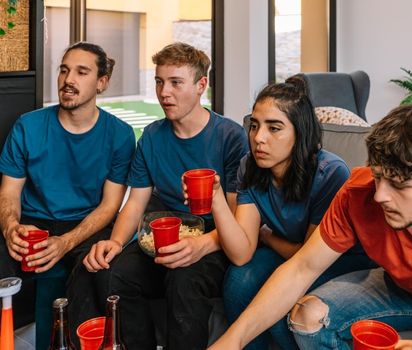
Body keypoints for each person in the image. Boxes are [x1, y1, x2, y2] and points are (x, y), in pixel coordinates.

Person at [209, 104, 412, 350]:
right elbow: (301, 268)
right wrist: (234, 340)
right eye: (378, 176)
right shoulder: (358, 193)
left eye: (399, 185)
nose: (380, 195)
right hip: (400, 289)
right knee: (307, 316)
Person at [71, 42, 248, 350]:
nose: (164, 92)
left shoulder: (231, 138)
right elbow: (136, 203)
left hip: (214, 238)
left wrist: (201, 246)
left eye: (176, 83)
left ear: (201, 85)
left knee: (184, 280)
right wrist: (115, 241)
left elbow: (238, 218)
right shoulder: (152, 136)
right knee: (112, 274)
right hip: (160, 233)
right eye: (159, 82)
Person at [203, 78, 375, 349]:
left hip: (339, 261)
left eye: (274, 128)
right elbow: (241, 253)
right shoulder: (250, 165)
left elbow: (306, 258)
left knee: (287, 303)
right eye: (255, 125)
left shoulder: (330, 173)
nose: (258, 137)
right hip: (290, 251)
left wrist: (266, 237)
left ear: (300, 133)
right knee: (240, 279)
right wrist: (216, 201)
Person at [0, 41, 135, 344]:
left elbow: (110, 205)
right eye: (64, 70)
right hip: (32, 220)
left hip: (86, 224)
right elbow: (9, 193)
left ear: (102, 83)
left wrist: (65, 242)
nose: (68, 80)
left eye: (81, 72)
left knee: (97, 271)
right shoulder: (28, 126)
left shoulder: (120, 135)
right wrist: (11, 228)